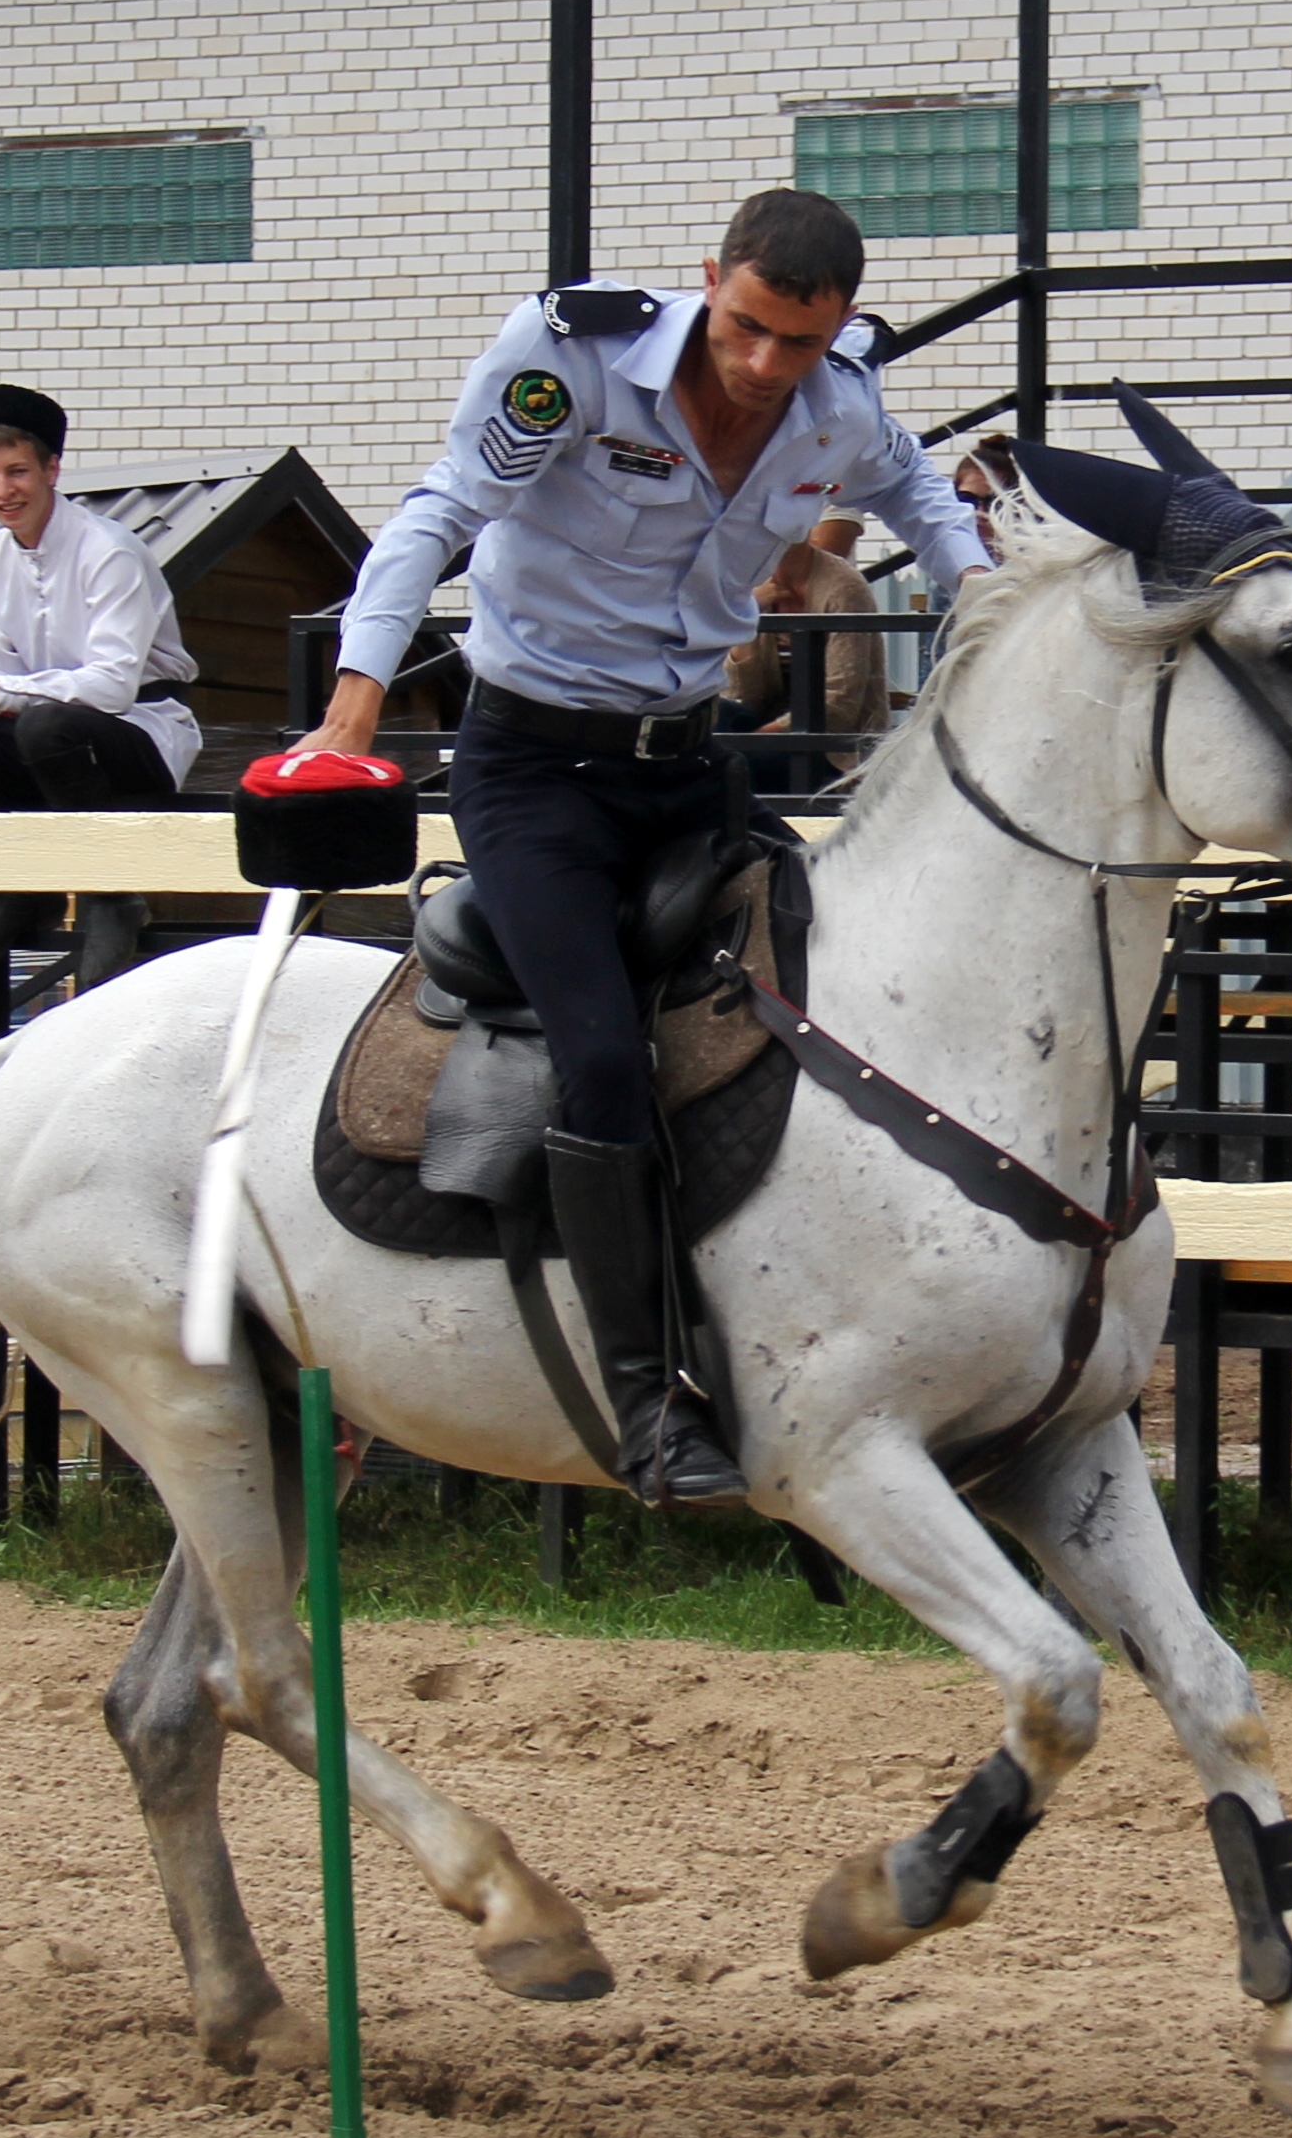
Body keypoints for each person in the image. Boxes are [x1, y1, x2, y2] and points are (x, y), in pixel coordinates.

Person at [301, 189, 992, 1504]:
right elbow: (439, 512)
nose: (765, 365)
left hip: (682, 766)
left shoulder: (839, 404)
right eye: (745, 328)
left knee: (847, 977)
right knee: (605, 1054)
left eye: (800, 341)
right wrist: (354, 700)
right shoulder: (569, 359)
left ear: (840, 327)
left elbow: (913, 484)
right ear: (706, 279)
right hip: (532, 775)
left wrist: (983, 587)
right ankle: (645, 1403)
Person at [0, 385, 200, 990]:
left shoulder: (110, 552)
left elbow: (112, 687)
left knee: (46, 725)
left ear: (52, 469)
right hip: (43, 740)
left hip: (137, 737)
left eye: (18, 471)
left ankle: (111, 896)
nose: (3, 491)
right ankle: (17, 883)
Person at [725, 537, 890, 749]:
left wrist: (757, 741)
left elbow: (841, 702)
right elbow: (742, 695)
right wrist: (750, 611)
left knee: (726, 756)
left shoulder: (844, 588)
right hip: (765, 727)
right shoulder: (749, 580)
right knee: (720, 715)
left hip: (834, 744)